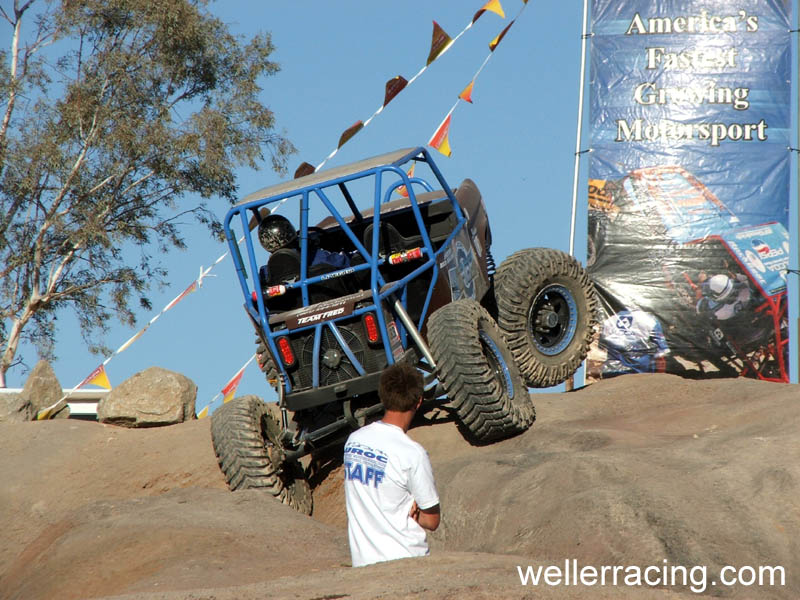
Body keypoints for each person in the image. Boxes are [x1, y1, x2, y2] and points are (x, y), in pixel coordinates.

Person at [343, 361, 440, 567]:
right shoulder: (413, 454)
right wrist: (414, 512)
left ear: (383, 396)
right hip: (406, 560)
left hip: (363, 563)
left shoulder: (354, 441)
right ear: (418, 401)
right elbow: (431, 521)